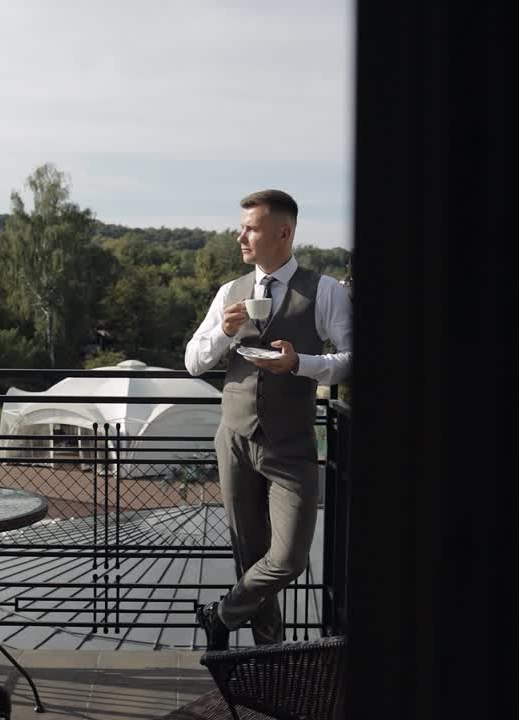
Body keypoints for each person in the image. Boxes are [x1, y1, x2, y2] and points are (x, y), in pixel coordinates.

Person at [183, 189, 353, 649]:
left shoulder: (327, 291)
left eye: (251, 228)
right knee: (249, 555)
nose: (240, 236)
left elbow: (350, 359)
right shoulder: (229, 293)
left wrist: (301, 364)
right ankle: (268, 660)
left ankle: (221, 616)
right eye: (242, 227)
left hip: (291, 443)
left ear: (283, 232)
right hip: (234, 438)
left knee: (288, 557)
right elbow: (193, 362)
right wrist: (224, 331)